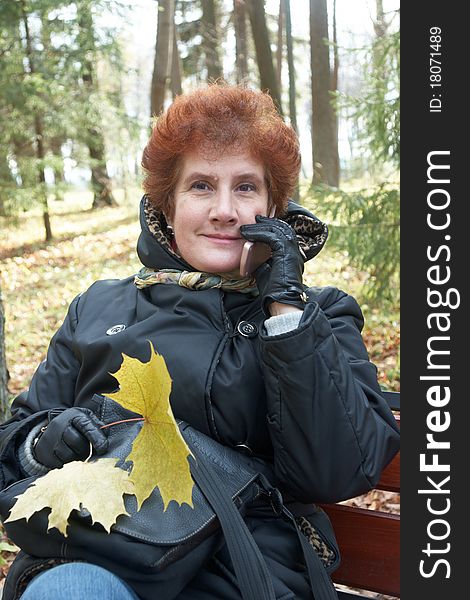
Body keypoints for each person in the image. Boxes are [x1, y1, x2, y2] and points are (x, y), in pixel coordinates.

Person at [0, 84, 400, 600]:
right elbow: (13, 447)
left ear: (275, 207)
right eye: (202, 187)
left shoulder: (319, 316)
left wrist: (286, 311)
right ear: (166, 206)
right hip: (104, 551)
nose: (225, 211)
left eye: (247, 188)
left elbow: (339, 471)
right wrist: (42, 441)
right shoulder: (98, 308)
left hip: (244, 569)